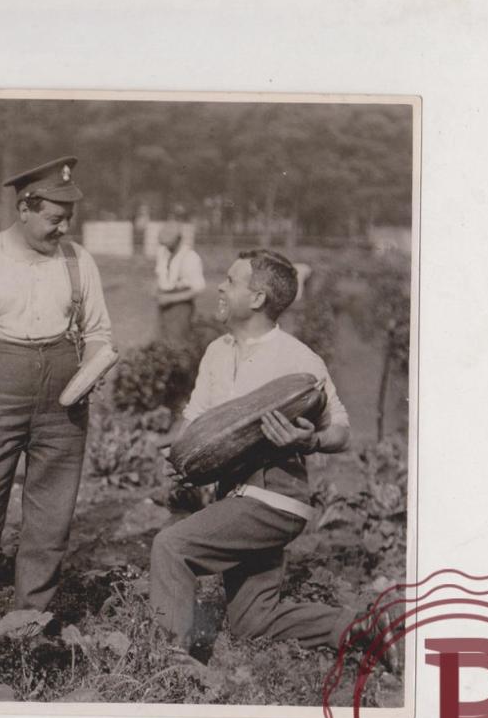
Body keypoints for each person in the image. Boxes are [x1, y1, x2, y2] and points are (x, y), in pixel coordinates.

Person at [150, 249, 388, 665]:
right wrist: (174, 455)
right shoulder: (216, 352)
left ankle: (170, 665)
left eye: (230, 280)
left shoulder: (298, 359)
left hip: (274, 497)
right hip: (235, 497)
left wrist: (309, 440)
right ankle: (358, 627)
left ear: (257, 298)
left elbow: (343, 432)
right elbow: (195, 420)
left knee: (172, 547)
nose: (219, 286)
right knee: (252, 621)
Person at [0, 156, 114, 618]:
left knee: (50, 522)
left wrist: (94, 367)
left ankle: (31, 623)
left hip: (63, 405)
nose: (63, 228)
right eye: (54, 219)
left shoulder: (80, 261)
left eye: (69, 218)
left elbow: (98, 332)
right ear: (24, 208)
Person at [153, 220, 206, 344]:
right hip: (163, 303)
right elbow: (160, 274)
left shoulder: (190, 257)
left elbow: (198, 288)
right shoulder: (163, 253)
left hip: (180, 306)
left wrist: (171, 299)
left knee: (177, 343)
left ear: (178, 239)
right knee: (161, 341)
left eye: (169, 244)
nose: (167, 247)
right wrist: (156, 288)